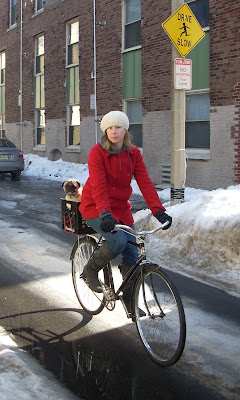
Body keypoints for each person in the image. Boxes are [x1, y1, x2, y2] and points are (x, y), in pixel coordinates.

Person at [79, 111, 172, 311]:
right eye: (110, 128)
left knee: (132, 254)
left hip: (120, 209)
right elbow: (99, 185)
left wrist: (158, 210)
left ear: (125, 130)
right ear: (105, 130)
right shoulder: (97, 152)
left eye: (118, 127)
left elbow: (145, 182)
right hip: (95, 207)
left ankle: (130, 300)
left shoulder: (133, 153)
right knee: (118, 241)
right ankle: (90, 270)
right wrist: (104, 212)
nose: (114, 131)